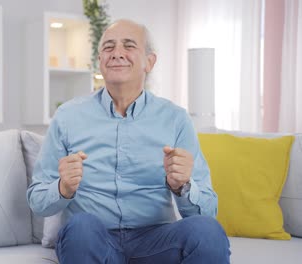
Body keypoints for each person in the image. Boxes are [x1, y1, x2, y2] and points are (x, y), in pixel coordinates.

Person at [27, 19, 230, 264]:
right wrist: (63, 188)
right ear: (100, 60)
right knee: (81, 227)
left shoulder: (176, 119)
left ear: (149, 62)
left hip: (156, 239)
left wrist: (183, 186)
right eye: (109, 47)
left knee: (208, 232)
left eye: (129, 45)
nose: (117, 53)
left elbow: (207, 212)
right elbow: (37, 200)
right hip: (93, 237)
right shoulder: (68, 117)